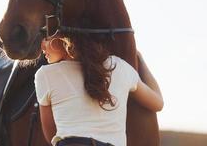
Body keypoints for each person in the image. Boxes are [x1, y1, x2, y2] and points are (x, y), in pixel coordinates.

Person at [34, 33, 163, 146]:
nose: (42, 46)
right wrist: (139, 58)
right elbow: (158, 103)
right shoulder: (120, 67)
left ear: (63, 38)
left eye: (46, 37)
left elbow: (50, 134)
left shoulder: (45, 75)